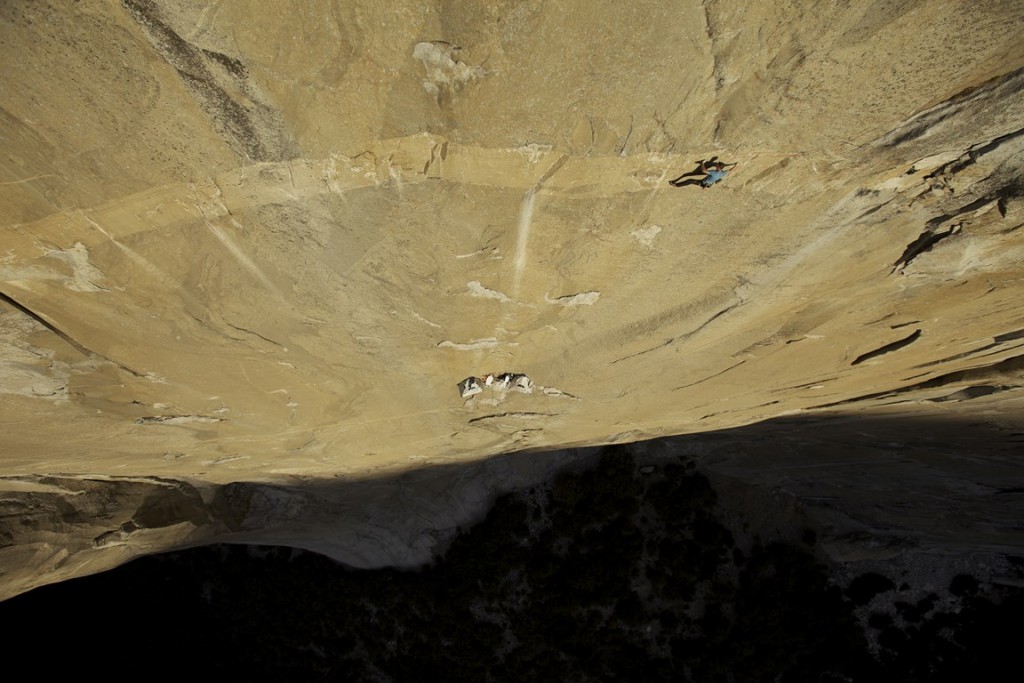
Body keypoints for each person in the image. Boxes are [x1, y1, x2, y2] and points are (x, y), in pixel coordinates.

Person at [669, 157, 738, 189]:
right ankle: (676, 184)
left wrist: (702, 163)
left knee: (689, 181)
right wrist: (735, 166)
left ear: (719, 168)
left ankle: (676, 185)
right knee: (690, 179)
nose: (716, 165)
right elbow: (730, 170)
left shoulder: (714, 172)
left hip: (703, 183)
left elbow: (704, 170)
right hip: (708, 184)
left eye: (717, 165)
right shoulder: (723, 173)